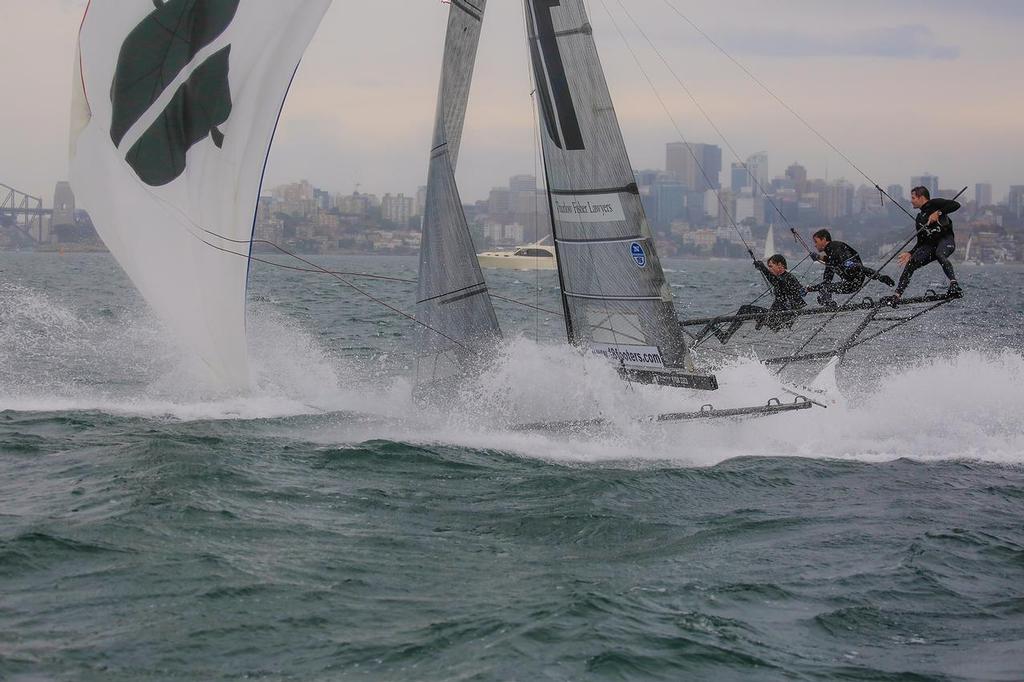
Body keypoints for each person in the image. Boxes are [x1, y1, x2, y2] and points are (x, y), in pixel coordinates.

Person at [700, 253, 806, 343]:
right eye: (768, 266)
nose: (770, 268)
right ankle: (723, 334)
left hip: (782, 319)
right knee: (748, 310)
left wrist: (763, 269)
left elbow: (782, 286)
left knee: (745, 309)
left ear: (780, 265)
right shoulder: (781, 278)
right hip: (777, 316)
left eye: (771, 266)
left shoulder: (788, 278)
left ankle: (725, 336)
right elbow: (780, 296)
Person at [884, 186, 962, 306]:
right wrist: (910, 253)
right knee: (911, 264)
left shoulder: (935, 204)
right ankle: (897, 296)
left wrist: (939, 212)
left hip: (946, 241)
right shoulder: (919, 218)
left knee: (940, 254)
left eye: (913, 197)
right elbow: (921, 242)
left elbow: (956, 205)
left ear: (921, 197)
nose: (911, 200)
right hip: (930, 246)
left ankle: (954, 284)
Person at [805, 229, 895, 307]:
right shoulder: (831, 255)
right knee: (824, 288)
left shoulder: (837, 248)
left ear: (824, 239)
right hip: (849, 283)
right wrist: (809, 289)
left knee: (825, 288)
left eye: (816, 242)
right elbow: (827, 281)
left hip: (853, 282)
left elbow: (856, 266)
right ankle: (828, 304)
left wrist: (880, 277)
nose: (815, 245)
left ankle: (829, 304)